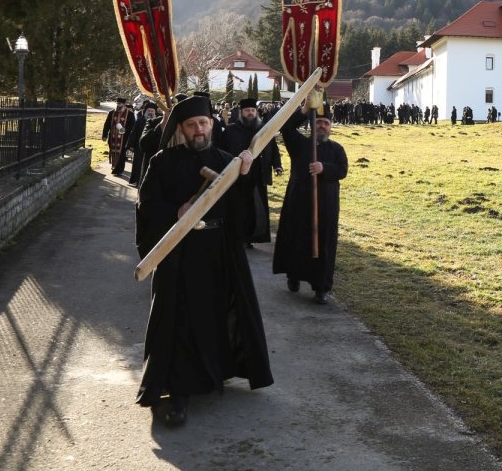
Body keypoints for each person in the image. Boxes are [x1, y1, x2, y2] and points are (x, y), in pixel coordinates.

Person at [134, 95, 273, 427]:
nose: (199, 129)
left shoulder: (226, 162)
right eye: (192, 125)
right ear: (181, 129)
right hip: (179, 252)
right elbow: (146, 205)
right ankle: (179, 391)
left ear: (212, 124)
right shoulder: (163, 162)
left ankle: (215, 373)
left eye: (204, 123)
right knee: (179, 318)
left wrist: (245, 177)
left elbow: (240, 214)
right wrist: (176, 211)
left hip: (217, 250)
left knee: (215, 314)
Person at [273, 102, 348, 304]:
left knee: (323, 245)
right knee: (297, 240)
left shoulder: (337, 149)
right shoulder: (299, 144)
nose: (322, 126)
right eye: (319, 122)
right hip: (299, 203)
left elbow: (342, 170)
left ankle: (321, 287)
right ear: (312, 125)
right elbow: (287, 128)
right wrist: (305, 110)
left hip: (326, 206)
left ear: (330, 127)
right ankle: (294, 276)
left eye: (326, 123)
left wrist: (324, 168)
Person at [219, 98, 283, 248]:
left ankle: (252, 238)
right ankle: (238, 237)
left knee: (256, 208)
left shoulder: (264, 130)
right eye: (247, 110)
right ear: (241, 112)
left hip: (258, 174)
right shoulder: (230, 131)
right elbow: (221, 151)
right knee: (240, 207)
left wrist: (277, 165)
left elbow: (273, 148)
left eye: (252, 110)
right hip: (238, 177)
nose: (250, 113)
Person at [102, 98, 136, 176]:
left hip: (124, 138)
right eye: (117, 103)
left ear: (124, 104)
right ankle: (114, 166)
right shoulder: (111, 113)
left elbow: (133, 126)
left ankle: (119, 170)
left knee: (121, 154)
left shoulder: (129, 114)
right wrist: (104, 135)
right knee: (113, 151)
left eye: (120, 104)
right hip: (112, 137)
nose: (118, 105)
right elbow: (107, 124)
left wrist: (125, 129)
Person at [128, 101, 159, 186]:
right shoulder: (140, 120)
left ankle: (147, 183)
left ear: (155, 112)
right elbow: (134, 132)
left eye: (152, 111)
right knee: (137, 164)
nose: (150, 113)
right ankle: (136, 181)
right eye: (149, 111)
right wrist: (131, 145)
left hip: (152, 148)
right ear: (145, 111)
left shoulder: (158, 121)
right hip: (139, 147)